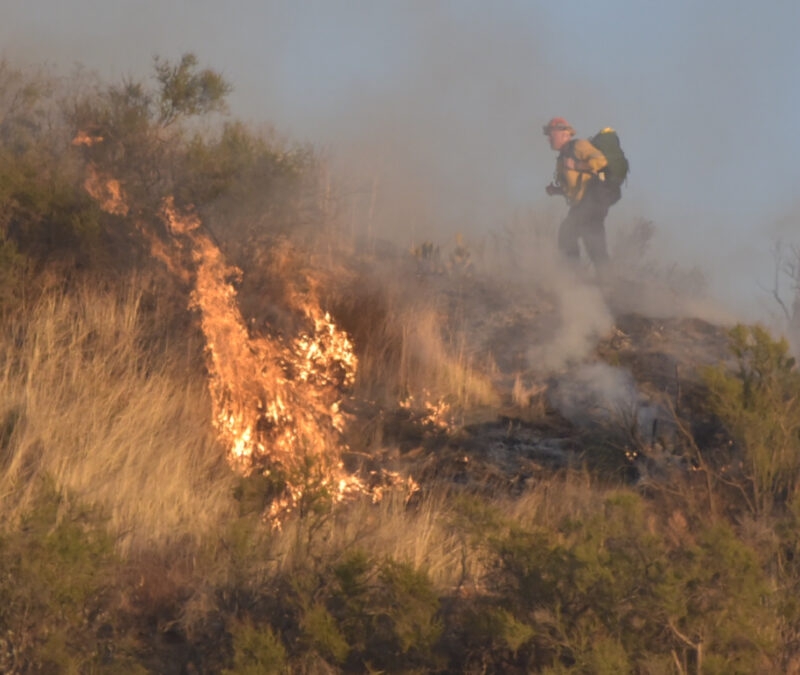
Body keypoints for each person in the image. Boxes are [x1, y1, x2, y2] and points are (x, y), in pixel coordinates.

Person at [543, 117, 618, 270]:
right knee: (594, 246)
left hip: (592, 201)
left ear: (565, 133)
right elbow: (571, 190)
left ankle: (575, 277)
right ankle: (608, 283)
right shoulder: (561, 160)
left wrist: (577, 164)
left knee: (567, 233)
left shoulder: (579, 146)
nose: (549, 138)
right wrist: (556, 191)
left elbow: (602, 162)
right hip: (583, 204)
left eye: (551, 134)